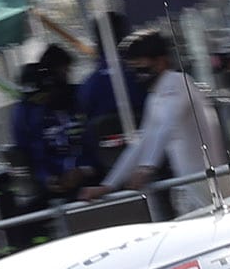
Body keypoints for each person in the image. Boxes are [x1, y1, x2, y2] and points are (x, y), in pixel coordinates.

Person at [87, 33, 219, 213]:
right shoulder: (155, 96)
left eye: (141, 66)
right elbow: (142, 141)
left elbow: (166, 126)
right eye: (133, 68)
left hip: (209, 183)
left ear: (161, 61)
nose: (137, 74)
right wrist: (109, 185)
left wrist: (147, 167)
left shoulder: (178, 82)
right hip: (189, 186)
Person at [11, 55, 91, 201]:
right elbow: (32, 153)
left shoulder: (79, 100)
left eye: (42, 96)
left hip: (90, 178)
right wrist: (47, 178)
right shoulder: (27, 113)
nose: (39, 102)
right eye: (33, 99)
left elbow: (92, 144)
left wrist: (84, 170)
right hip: (54, 187)